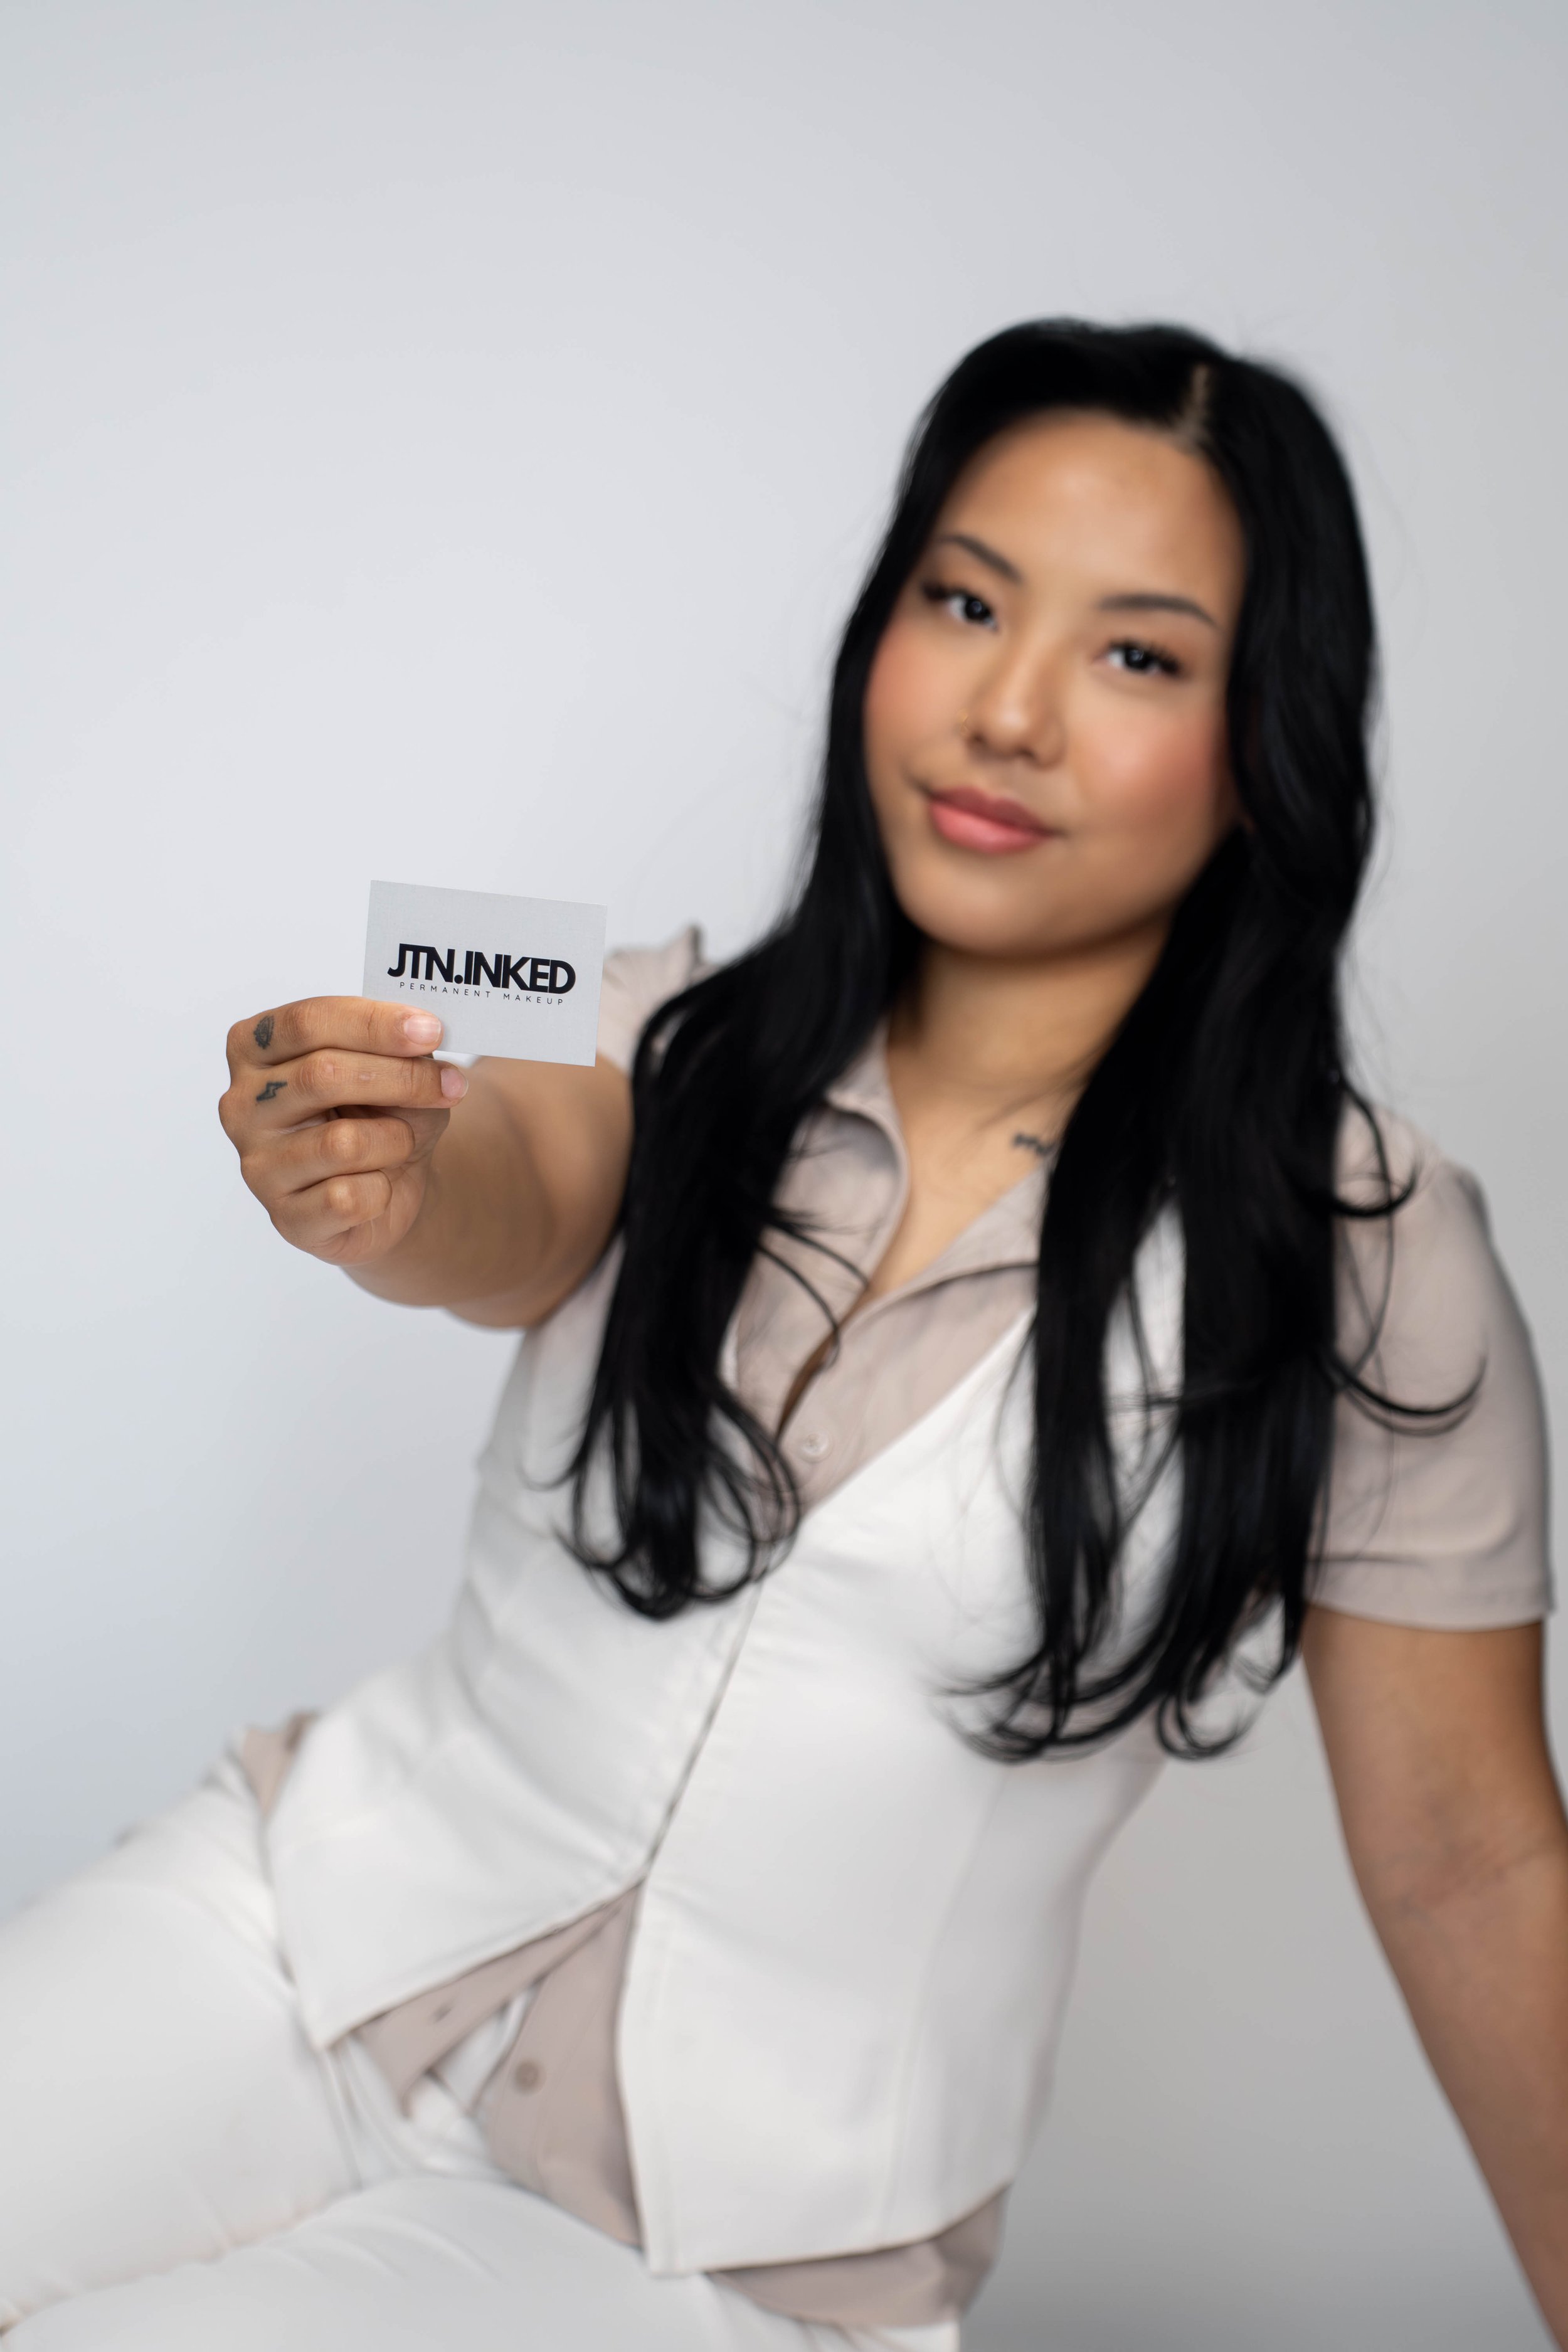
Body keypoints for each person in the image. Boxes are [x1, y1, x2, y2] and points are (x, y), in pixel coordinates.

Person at [1, 320, 1563, 2349]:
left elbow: (1465, 1859)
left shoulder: (1364, 1247)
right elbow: (511, 1167)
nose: (1005, 710)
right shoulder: (671, 1023)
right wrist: (389, 1173)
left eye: (1135, 655)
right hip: (289, 1939)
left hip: (727, 2253)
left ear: (1264, 748)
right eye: (964, 600)